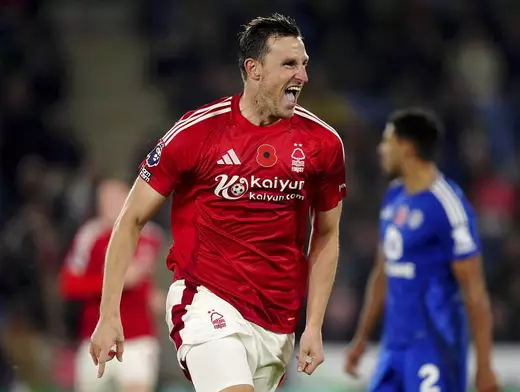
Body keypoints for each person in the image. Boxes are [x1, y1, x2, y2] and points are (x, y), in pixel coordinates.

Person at [89, 13, 346, 392]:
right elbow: (130, 219)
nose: (302, 77)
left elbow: (326, 234)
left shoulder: (323, 144)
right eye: (289, 64)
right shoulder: (198, 132)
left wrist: (314, 325)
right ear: (253, 69)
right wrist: (108, 313)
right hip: (206, 301)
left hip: (277, 322)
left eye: (304, 64)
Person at [344, 109, 499, 392]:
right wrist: (361, 338)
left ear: (406, 148)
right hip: (394, 347)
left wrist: (485, 365)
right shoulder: (393, 197)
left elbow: (474, 290)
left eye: (387, 141)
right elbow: (383, 273)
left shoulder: (448, 205)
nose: (381, 150)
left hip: (435, 348)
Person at [59, 179, 165, 392]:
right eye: (106, 199)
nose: (112, 204)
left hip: (139, 337)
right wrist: (115, 281)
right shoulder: (89, 236)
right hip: (97, 338)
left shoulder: (152, 236)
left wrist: (158, 297)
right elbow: (68, 284)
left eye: (117, 198)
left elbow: (158, 279)